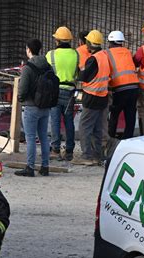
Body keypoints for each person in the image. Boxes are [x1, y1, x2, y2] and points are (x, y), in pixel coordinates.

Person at [73, 30, 110, 165]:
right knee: (97, 128)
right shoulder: (104, 56)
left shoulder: (93, 59)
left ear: (89, 43)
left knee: (85, 127)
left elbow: (84, 76)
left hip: (92, 96)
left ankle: (86, 155)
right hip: (102, 96)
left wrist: (78, 72)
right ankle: (97, 155)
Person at [15, 39, 52, 177]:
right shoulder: (47, 66)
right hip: (45, 106)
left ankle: (30, 167)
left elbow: (22, 89)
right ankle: (45, 166)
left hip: (31, 106)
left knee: (30, 137)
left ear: (29, 50)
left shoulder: (28, 68)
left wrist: (21, 98)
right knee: (43, 137)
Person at [46, 27, 79, 161]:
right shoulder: (76, 54)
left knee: (55, 121)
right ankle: (69, 151)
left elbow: (46, 73)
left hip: (55, 90)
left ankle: (55, 150)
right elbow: (77, 72)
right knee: (68, 120)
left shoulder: (50, 55)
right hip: (70, 91)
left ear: (57, 41)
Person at [105, 30, 139, 139]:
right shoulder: (127, 52)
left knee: (114, 114)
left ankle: (111, 138)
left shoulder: (107, 53)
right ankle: (128, 138)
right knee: (130, 115)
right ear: (121, 42)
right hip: (134, 87)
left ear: (110, 42)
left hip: (119, 88)